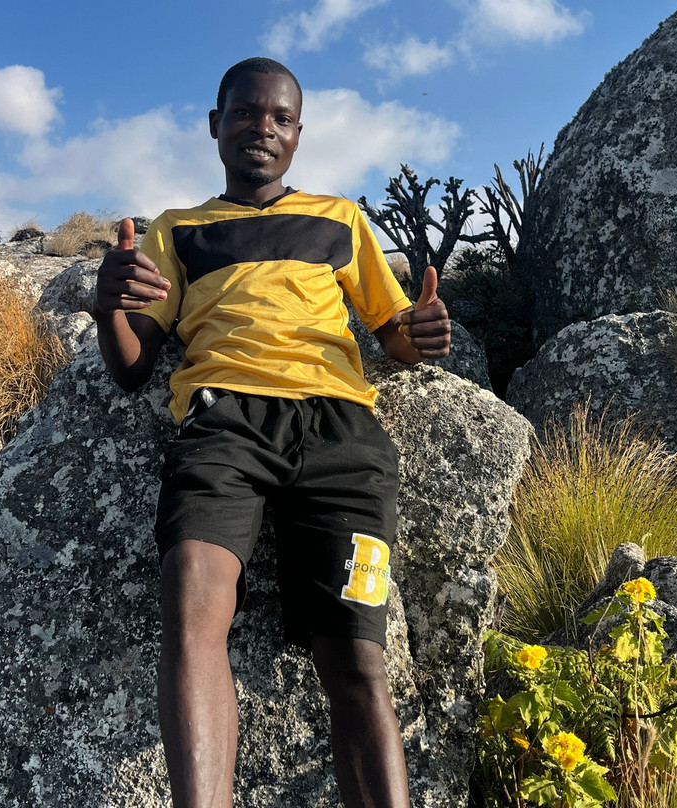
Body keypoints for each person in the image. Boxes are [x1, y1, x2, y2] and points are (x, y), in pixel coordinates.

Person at [92, 57, 451, 808]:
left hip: (342, 436)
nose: (263, 127)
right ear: (214, 124)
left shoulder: (339, 218)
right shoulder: (177, 231)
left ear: (298, 135)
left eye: (281, 117)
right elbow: (132, 369)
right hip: (222, 426)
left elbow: (393, 338)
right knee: (192, 601)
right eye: (247, 112)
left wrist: (423, 333)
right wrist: (108, 304)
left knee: (357, 658)